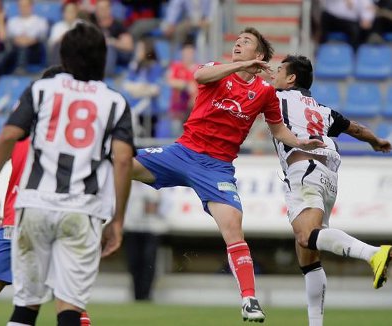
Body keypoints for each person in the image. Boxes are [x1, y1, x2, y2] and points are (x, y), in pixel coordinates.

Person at [131, 27, 326, 323]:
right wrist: (239, 66)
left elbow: (277, 130)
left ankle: (249, 299)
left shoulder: (265, 93)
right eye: (237, 40)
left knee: (234, 226)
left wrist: (299, 142)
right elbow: (198, 77)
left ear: (259, 55)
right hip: (182, 152)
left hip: (217, 167)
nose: (238, 43)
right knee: (121, 164)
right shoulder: (217, 70)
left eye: (246, 42)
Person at [0, 23, 134, 326]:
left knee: (25, 307)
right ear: (104, 59)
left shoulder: (42, 89)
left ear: (63, 57)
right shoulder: (115, 101)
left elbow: (9, 135)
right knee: (70, 310)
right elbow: (124, 160)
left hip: (35, 204)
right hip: (82, 210)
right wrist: (117, 220)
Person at [0, 67, 92, 326]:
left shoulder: (22, 124)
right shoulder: (76, 131)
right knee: (72, 305)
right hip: (64, 220)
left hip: (16, 220)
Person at [271, 54, 392, 326]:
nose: (272, 75)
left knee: (306, 237)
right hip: (328, 176)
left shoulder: (276, 98)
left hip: (304, 167)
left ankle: (373, 254)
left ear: (291, 78)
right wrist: (377, 141)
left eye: (278, 71)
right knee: (308, 255)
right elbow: (357, 129)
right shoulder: (322, 109)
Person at [124, 181, 166, 301]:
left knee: (148, 262)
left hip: (150, 228)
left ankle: (147, 294)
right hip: (132, 228)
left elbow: (154, 206)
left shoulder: (152, 184)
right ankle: (137, 294)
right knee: (134, 262)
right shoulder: (128, 184)